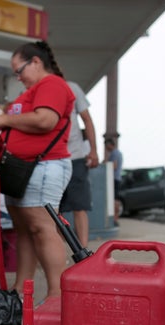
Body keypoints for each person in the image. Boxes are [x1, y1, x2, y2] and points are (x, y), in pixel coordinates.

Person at [0, 41, 75, 299]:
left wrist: (3, 119)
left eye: (19, 70)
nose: (18, 77)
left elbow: (46, 119)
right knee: (24, 230)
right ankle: (20, 291)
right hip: (23, 169)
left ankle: (57, 296)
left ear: (35, 62)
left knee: (42, 227)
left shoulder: (52, 84)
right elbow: (24, 117)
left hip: (43, 166)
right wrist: (0, 112)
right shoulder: (34, 90)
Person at [59, 81, 99, 247]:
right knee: (53, 211)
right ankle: (58, 253)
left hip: (76, 157)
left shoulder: (72, 87)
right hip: (53, 159)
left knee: (80, 207)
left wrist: (93, 150)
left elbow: (87, 120)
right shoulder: (35, 89)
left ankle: (84, 253)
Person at [105, 137, 123, 226]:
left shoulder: (114, 153)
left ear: (110, 144)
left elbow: (114, 166)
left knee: (114, 200)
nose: (105, 148)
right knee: (116, 200)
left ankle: (115, 219)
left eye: (106, 145)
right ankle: (116, 218)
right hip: (118, 178)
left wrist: (105, 164)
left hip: (114, 179)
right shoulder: (118, 153)